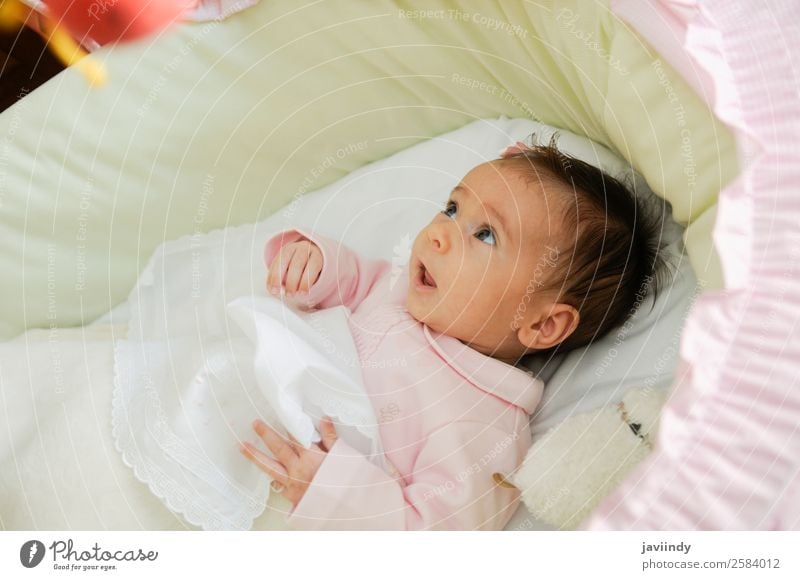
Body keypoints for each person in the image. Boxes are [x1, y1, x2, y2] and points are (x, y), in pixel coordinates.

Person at [239, 135, 666, 530]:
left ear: (542, 323)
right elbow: (352, 281)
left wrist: (334, 494)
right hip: (246, 388)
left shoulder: (483, 426)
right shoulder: (399, 289)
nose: (441, 233)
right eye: (452, 209)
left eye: (485, 235)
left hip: (281, 492)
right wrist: (312, 265)